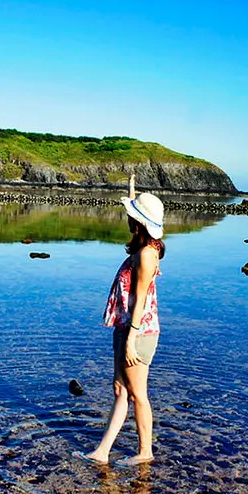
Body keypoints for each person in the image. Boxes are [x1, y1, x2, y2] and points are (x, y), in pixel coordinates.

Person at [73, 174, 165, 466]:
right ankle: (102, 452)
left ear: (138, 223)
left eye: (131, 216)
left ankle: (144, 452)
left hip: (139, 332)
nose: (126, 218)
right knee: (120, 389)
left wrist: (131, 339)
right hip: (126, 328)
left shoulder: (148, 256)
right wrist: (131, 187)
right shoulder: (142, 247)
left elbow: (139, 300)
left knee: (138, 394)